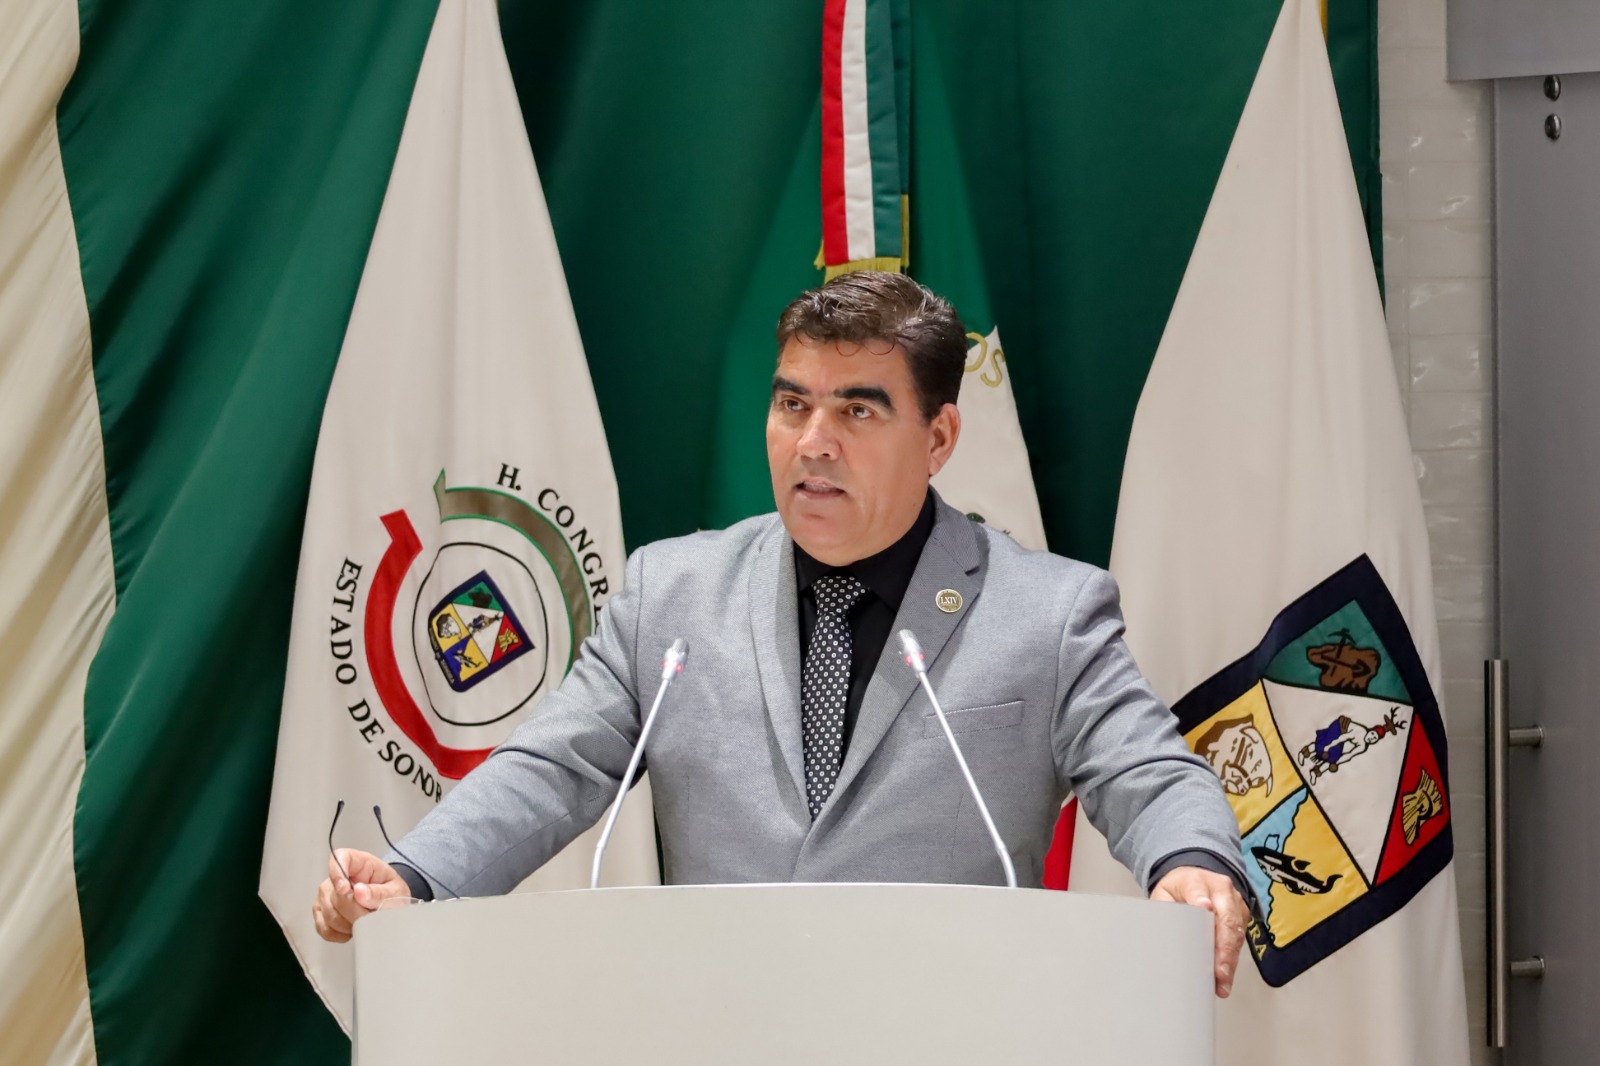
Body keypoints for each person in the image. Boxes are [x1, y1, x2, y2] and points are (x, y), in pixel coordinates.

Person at [314, 272, 1253, 996]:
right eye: (793, 403)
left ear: (938, 438)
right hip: (720, 1022)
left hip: (951, 1023)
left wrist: (1194, 861)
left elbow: (1147, 770)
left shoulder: (1048, 612)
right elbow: (550, 769)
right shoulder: (673, 593)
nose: (814, 441)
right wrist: (416, 875)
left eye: (858, 410)